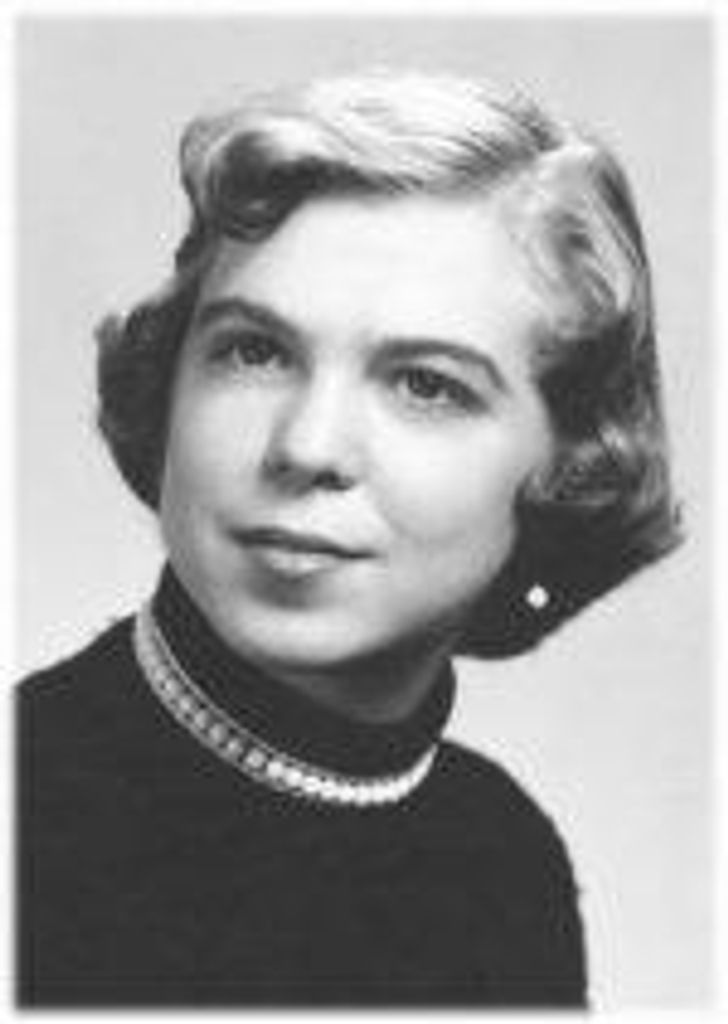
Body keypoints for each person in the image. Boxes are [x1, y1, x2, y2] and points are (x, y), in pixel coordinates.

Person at [17, 69, 681, 1008]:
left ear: (567, 466)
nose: (308, 446)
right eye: (254, 351)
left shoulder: (502, 861)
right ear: (167, 385)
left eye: (425, 384)